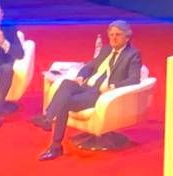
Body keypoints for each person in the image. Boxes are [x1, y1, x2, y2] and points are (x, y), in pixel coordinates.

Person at [33, 19, 142, 161]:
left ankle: (55, 145)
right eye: (111, 34)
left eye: (118, 35)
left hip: (99, 93)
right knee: (66, 83)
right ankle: (48, 118)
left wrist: (113, 87)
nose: (113, 38)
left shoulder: (132, 54)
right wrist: (80, 77)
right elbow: (89, 66)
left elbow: (134, 79)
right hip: (86, 87)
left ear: (127, 37)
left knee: (64, 103)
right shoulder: (106, 50)